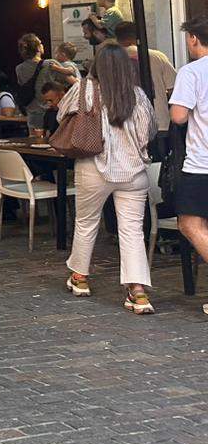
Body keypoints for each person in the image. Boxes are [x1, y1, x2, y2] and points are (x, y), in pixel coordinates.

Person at [61, 41, 155, 314]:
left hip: (93, 167)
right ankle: (137, 293)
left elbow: (60, 115)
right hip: (134, 171)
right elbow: (147, 132)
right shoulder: (137, 94)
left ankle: (79, 278)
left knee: (86, 222)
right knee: (132, 231)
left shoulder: (84, 90)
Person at [168, 15, 208, 316]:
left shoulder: (192, 71)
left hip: (202, 163)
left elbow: (179, 116)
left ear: (194, 39)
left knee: (189, 224)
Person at [113, 21, 177, 130]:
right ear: (138, 35)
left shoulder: (111, 60)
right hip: (159, 121)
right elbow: (174, 89)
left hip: (125, 125)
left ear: (117, 39)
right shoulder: (157, 57)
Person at [13, 33, 44, 113]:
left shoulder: (19, 68)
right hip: (49, 111)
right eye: (40, 43)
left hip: (31, 111)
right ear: (37, 48)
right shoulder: (50, 64)